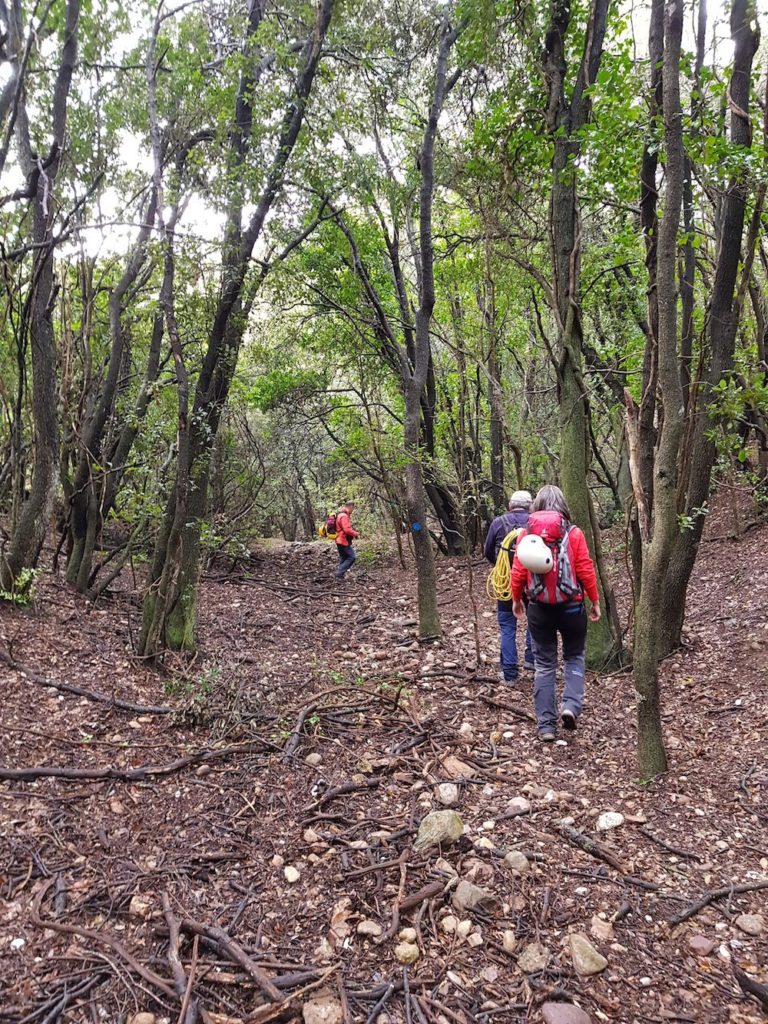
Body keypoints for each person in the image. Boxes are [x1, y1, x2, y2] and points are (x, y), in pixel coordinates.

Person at [510, 484, 601, 741]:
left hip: (539, 608)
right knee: (574, 657)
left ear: (536, 506)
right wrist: (594, 600)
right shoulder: (573, 533)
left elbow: (517, 572)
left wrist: (516, 600)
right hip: (572, 606)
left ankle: (546, 726)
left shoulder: (525, 534)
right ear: (562, 505)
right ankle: (570, 706)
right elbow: (584, 569)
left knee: (545, 664)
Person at [484, 490, 535, 684]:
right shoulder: (534, 523)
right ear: (530, 505)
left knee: (507, 627)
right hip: (532, 584)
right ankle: (532, 660)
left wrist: (500, 566)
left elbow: (488, 551)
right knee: (535, 621)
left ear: (510, 506)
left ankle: (510, 674)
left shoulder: (498, 523)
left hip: (506, 582)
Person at [334, 501, 359, 580]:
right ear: (350, 506)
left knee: (343, 557)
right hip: (342, 540)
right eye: (353, 508)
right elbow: (346, 530)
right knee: (352, 557)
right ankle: (339, 573)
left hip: (339, 540)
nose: (353, 510)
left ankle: (339, 576)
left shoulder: (341, 514)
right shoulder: (344, 516)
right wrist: (355, 534)